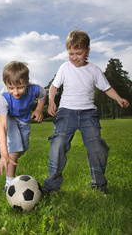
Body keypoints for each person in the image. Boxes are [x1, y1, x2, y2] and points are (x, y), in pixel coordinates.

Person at [42, 30, 129, 194]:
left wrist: (118, 99)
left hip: (89, 114)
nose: (74, 57)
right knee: (58, 144)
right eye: (71, 53)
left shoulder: (94, 70)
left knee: (97, 147)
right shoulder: (64, 68)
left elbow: (107, 88)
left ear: (87, 51)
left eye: (79, 53)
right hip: (66, 113)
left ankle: (99, 185)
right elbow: (53, 87)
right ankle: (51, 186)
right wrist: (51, 101)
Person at [0, 61, 47, 191]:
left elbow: (43, 94)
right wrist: (4, 155)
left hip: (24, 121)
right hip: (10, 119)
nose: (16, 92)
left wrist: (39, 109)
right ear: (5, 84)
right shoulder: (4, 96)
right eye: (11, 88)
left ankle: (0, 144)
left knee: (23, 148)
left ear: (27, 81)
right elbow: (2, 126)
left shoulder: (34, 88)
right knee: (14, 150)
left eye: (20, 87)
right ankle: (9, 183)